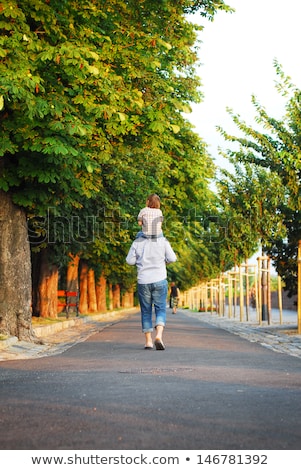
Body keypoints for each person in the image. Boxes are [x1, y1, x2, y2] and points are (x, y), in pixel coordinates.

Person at [126, 235, 177, 350]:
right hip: (159, 279)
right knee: (160, 309)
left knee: (146, 311)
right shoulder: (162, 241)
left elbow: (129, 261)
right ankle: (158, 335)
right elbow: (172, 258)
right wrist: (164, 261)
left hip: (143, 280)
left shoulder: (137, 241)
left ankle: (148, 341)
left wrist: (140, 260)